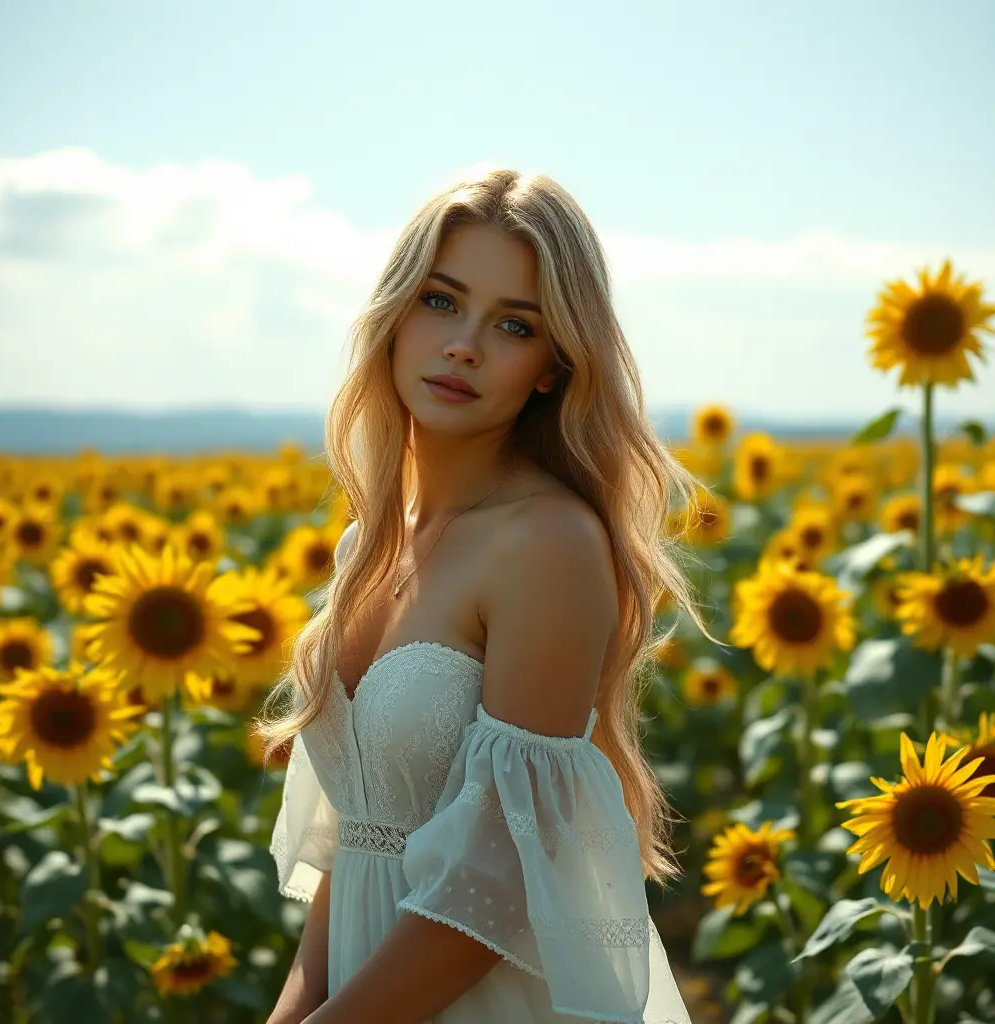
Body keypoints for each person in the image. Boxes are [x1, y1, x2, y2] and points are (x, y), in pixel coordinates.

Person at [256, 167, 701, 1024]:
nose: (464, 344)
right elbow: (359, 843)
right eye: (440, 301)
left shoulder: (546, 543)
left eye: (514, 325)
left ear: (551, 365)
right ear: (393, 315)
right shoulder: (368, 542)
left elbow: (494, 884)